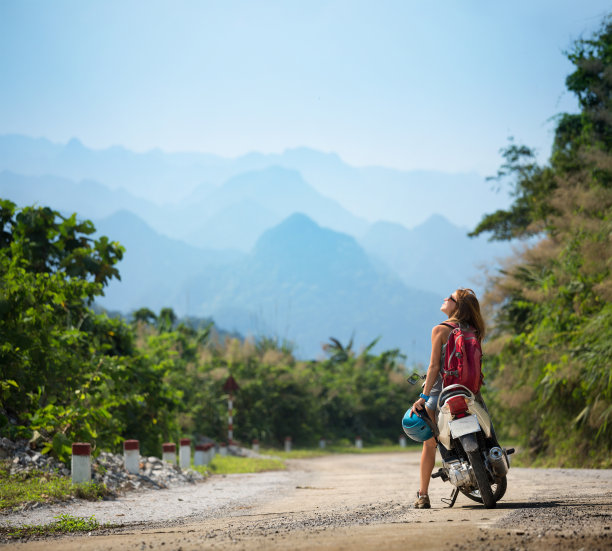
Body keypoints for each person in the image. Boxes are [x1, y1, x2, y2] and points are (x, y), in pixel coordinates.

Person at [410, 288, 485, 509]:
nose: (445, 299)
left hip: (441, 394)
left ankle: (423, 495)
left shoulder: (440, 330)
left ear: (457, 306)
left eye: (449, 298)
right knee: (486, 427)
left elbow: (434, 366)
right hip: (469, 391)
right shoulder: (474, 330)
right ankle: (494, 454)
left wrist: (423, 397)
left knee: (429, 444)